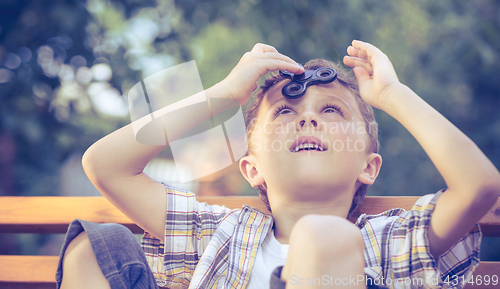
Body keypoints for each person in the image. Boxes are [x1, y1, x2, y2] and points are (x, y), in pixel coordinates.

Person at [56, 40, 500, 289]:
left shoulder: (392, 240)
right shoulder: (218, 234)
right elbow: (105, 165)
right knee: (101, 245)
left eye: (332, 112)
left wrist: (390, 95)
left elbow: (478, 185)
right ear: (253, 168)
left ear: (369, 166)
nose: (307, 116)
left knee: (323, 237)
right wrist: (226, 93)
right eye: (284, 113)